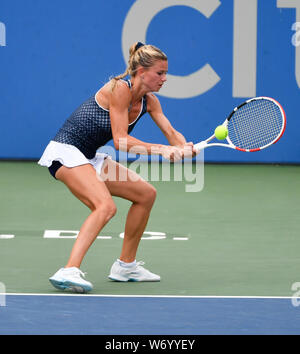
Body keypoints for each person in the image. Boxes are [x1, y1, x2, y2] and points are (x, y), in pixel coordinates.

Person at [38, 42, 196, 293]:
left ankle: (126, 266)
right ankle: (68, 269)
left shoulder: (150, 102)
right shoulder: (119, 89)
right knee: (105, 206)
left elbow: (171, 133)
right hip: (66, 151)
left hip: (90, 156)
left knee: (145, 194)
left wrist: (185, 147)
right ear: (141, 72)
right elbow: (121, 141)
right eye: (160, 73)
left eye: (166, 73)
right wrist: (164, 150)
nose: (165, 78)